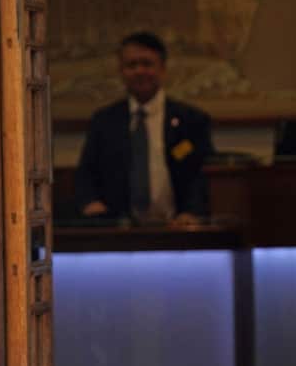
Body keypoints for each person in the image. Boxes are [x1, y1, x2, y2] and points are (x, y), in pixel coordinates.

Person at [73, 32, 214, 225]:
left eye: (147, 64)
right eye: (131, 65)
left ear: (162, 69)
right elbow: (86, 173)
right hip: (118, 233)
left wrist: (192, 212)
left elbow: (202, 174)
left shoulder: (191, 120)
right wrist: (91, 204)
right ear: (121, 71)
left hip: (178, 229)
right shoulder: (104, 121)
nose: (139, 71)